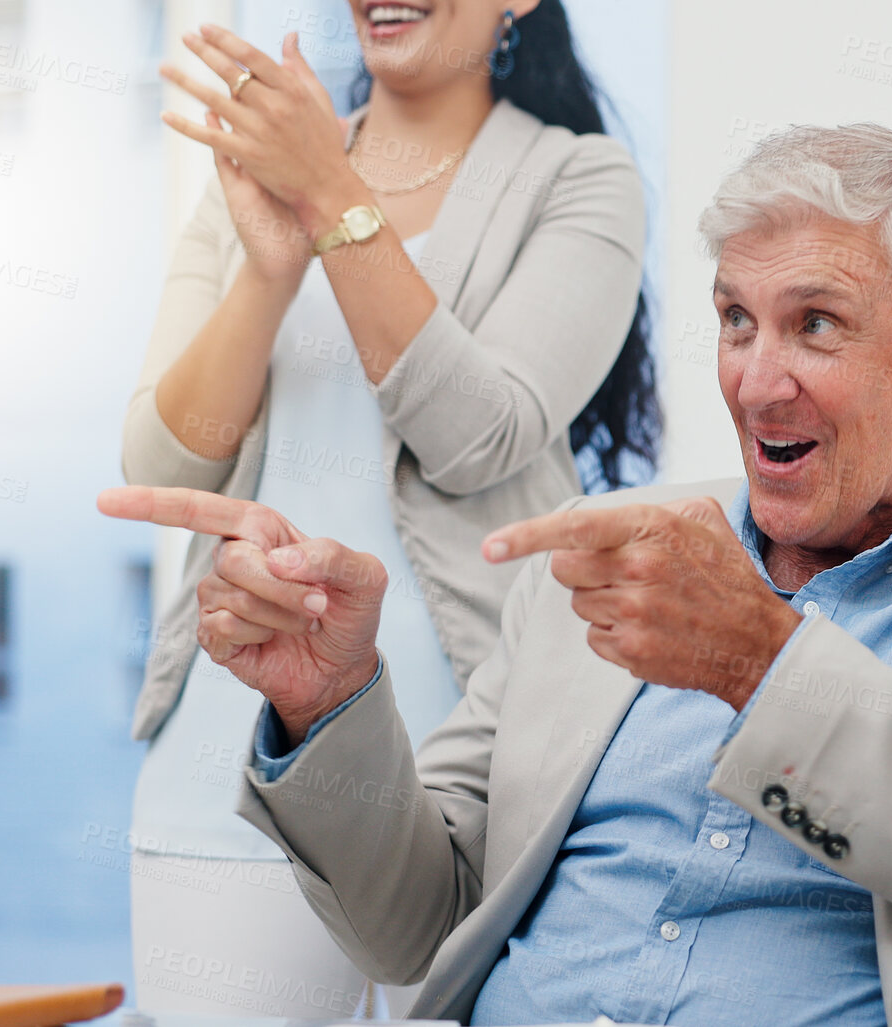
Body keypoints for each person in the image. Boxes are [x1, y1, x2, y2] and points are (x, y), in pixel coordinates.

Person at [99, 124, 892, 1026]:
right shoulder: (605, 550)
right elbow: (415, 921)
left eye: (816, 324)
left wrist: (768, 666)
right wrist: (327, 698)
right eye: (734, 321)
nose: (759, 383)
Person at [120, 1, 654, 1015]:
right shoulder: (250, 171)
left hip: (478, 781)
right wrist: (273, 271)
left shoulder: (580, 180)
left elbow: (480, 434)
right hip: (225, 761)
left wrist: (330, 191)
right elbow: (167, 458)